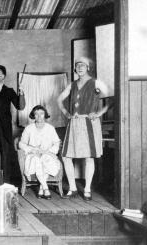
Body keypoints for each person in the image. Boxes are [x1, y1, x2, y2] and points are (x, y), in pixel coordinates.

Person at [57, 57, 109, 201]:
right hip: (74, 123)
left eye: (83, 65)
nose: (80, 67)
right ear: (75, 69)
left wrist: (98, 113)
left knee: (89, 156)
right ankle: (73, 188)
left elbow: (110, 101)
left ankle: (87, 190)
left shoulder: (96, 83)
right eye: (77, 65)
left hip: (89, 123)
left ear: (88, 68)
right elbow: (59, 99)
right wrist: (67, 113)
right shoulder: (72, 84)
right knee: (66, 156)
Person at [18, 105, 61, 199]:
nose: (39, 116)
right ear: (33, 116)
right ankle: (45, 188)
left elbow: (57, 143)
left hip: (47, 154)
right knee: (37, 160)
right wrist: (32, 150)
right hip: (33, 155)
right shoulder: (29, 128)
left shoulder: (50, 128)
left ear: (45, 115)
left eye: (41, 114)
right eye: (36, 114)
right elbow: (21, 144)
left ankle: (42, 188)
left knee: (45, 160)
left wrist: (48, 152)